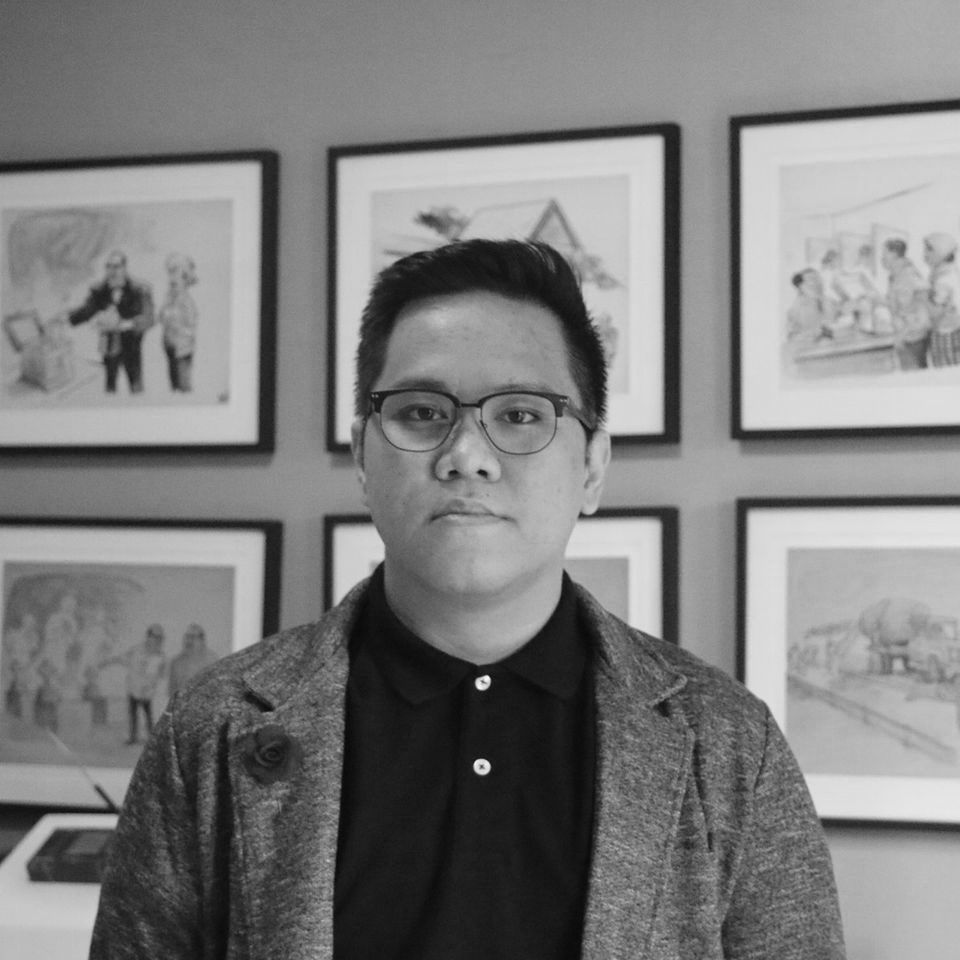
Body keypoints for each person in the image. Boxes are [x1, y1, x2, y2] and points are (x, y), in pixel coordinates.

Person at [90, 240, 846, 959]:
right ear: (362, 453)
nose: (466, 456)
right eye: (422, 412)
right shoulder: (213, 729)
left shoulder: (728, 744)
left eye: (520, 414)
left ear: (593, 467)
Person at [61, 250, 155, 393]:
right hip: (108, 347)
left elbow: (149, 318)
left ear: (124, 268)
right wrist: (65, 318)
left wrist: (125, 325)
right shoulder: (99, 289)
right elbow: (86, 311)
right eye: (109, 267)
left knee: (136, 387)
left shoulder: (141, 289)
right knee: (109, 387)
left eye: (116, 267)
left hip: (132, 347)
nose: (112, 271)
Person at [880, 238, 930, 370]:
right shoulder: (895, 275)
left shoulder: (908, 275)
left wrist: (901, 336)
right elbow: (897, 304)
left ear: (894, 254)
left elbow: (919, 311)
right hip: (905, 337)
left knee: (914, 378)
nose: (882, 258)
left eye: (884, 253)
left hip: (912, 338)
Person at [157, 252, 199, 392]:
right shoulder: (169, 297)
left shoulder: (186, 301)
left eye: (177, 275)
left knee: (183, 384)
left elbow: (191, 325)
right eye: (170, 274)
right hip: (170, 346)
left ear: (186, 279)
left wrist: (176, 324)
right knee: (173, 383)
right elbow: (161, 316)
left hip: (182, 349)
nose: (172, 279)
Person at [120, 623, 167, 745]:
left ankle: (151, 739)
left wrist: (151, 686)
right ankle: (132, 736)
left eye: (159, 638)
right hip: (134, 688)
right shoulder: (137, 649)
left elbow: (160, 675)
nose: (157, 640)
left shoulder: (160, 655)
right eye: (155, 637)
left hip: (147, 691)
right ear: (149, 637)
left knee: (148, 715)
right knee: (133, 715)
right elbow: (124, 660)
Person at [922, 232, 960, 367]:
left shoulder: (944, 279)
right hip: (946, 330)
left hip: (946, 333)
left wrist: (921, 297)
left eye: (928, 250)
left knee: (946, 371)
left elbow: (935, 312)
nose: (924, 255)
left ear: (940, 253)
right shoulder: (941, 272)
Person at [786, 266, 837, 349]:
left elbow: (838, 321)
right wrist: (815, 333)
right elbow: (791, 339)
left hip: (834, 348)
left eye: (819, 279)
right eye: (812, 280)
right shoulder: (795, 310)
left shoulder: (830, 302)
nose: (817, 283)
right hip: (809, 352)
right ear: (800, 286)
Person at [166, 622, 216, 697]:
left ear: (202, 640)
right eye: (187, 636)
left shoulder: (212, 660)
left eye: (193, 637)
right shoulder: (176, 662)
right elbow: (172, 692)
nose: (189, 640)